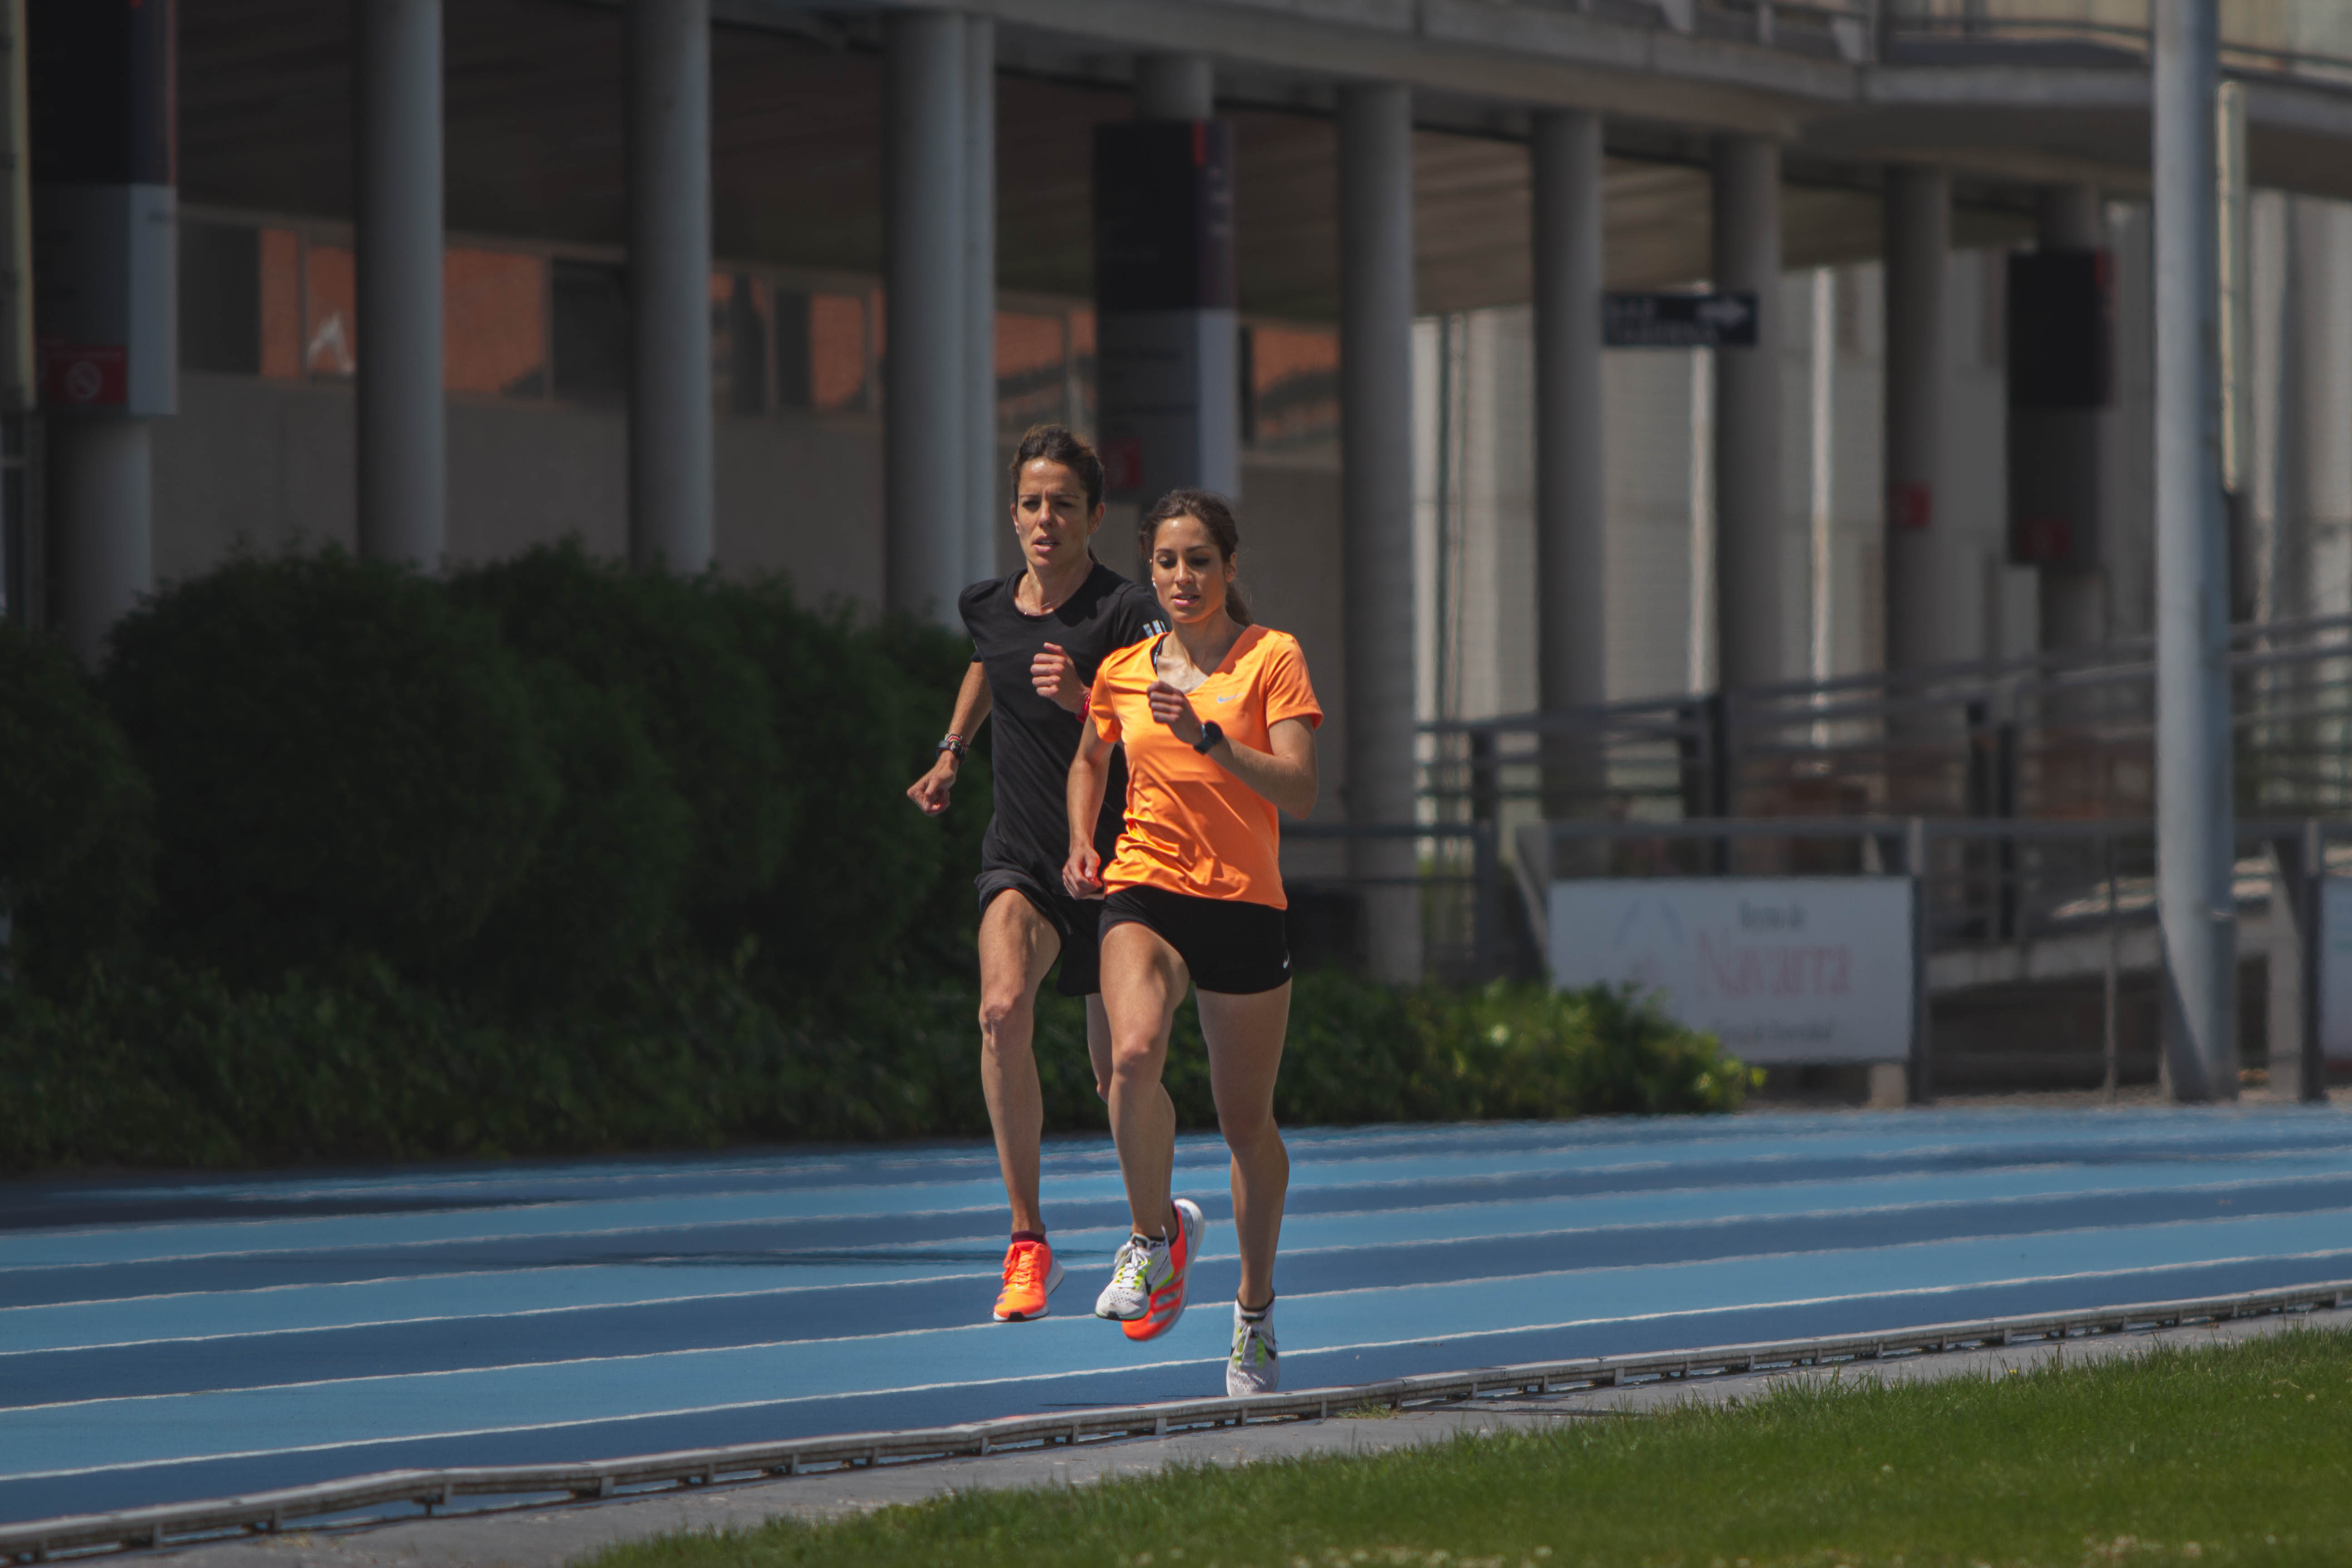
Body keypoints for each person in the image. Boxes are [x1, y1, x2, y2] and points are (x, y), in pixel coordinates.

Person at [906, 425, 1167, 1324]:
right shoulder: (987, 603)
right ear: (1012, 514)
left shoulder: (1129, 612)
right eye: (1030, 503)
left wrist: (1085, 699)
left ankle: (1154, 1235)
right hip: (1023, 855)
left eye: (1063, 504)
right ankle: (1027, 1241)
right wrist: (950, 753)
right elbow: (990, 662)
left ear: (1094, 515)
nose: (1044, 519)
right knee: (1000, 1010)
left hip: (1122, 862)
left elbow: (1172, 721)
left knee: (1118, 1078)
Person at [1062, 489, 1320, 1396]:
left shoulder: (1271, 658)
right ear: (1150, 567)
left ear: (1230, 568)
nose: (1181, 578)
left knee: (1246, 1124)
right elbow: (1091, 755)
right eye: (1167, 562)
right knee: (1129, 1056)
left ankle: (1253, 1314)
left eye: (1199, 561)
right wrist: (1083, 841)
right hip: (1144, 888)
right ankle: (1152, 1236)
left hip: (1245, 905)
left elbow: (1299, 789)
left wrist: (1209, 736)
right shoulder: (1125, 670)